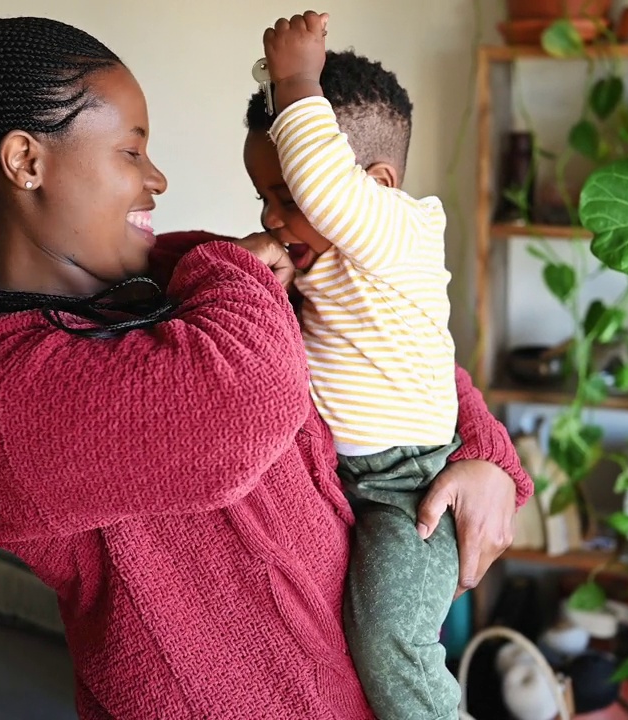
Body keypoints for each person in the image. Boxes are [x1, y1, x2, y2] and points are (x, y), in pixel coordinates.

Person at [0, 15, 533, 720]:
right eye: (131, 151)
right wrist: (234, 272)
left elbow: (389, 341)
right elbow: (244, 408)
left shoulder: (183, 272)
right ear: (26, 161)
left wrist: (487, 459)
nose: (157, 178)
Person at [248, 12, 465, 718]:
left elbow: (326, 190)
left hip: (411, 491)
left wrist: (295, 81)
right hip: (350, 488)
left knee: (390, 639)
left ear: (377, 181)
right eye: (264, 198)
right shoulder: (328, 262)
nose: (275, 216)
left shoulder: (401, 228)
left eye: (287, 198)